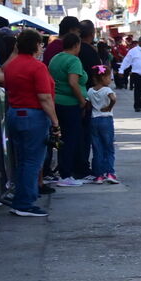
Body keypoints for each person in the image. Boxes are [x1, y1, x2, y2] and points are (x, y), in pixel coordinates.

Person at [3, 29, 59, 217]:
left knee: (23, 160)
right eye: (41, 44)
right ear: (36, 45)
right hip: (33, 115)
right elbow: (44, 97)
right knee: (32, 161)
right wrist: (55, 122)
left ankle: (21, 198)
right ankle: (24, 202)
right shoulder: (37, 67)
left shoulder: (11, 65)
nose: (42, 47)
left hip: (15, 113)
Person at [48, 31, 90, 187]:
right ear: (76, 45)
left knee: (61, 138)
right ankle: (65, 174)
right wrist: (82, 101)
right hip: (70, 104)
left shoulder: (55, 58)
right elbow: (73, 82)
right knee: (70, 139)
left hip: (56, 102)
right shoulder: (74, 60)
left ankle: (63, 170)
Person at [86, 65, 120, 184]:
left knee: (97, 148)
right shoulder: (107, 90)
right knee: (109, 147)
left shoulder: (90, 90)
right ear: (104, 78)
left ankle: (98, 175)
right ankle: (110, 172)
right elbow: (113, 99)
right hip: (106, 119)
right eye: (109, 77)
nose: (110, 80)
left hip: (94, 120)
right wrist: (109, 107)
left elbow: (88, 105)